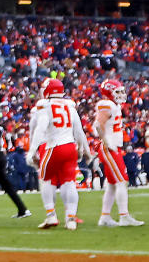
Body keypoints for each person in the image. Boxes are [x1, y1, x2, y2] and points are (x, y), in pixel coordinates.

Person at [28, 77, 90, 230]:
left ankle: (51, 215)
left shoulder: (45, 105)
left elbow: (40, 129)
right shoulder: (70, 105)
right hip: (70, 147)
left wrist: (32, 150)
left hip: (53, 147)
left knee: (47, 180)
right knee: (69, 183)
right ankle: (70, 218)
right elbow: (79, 131)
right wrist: (82, 149)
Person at [93, 79, 142, 227]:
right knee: (122, 181)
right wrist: (106, 141)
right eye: (117, 91)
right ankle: (124, 216)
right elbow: (98, 124)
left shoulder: (113, 105)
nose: (121, 94)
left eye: (121, 91)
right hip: (110, 148)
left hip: (112, 147)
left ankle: (105, 217)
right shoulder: (106, 104)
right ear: (109, 92)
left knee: (113, 184)